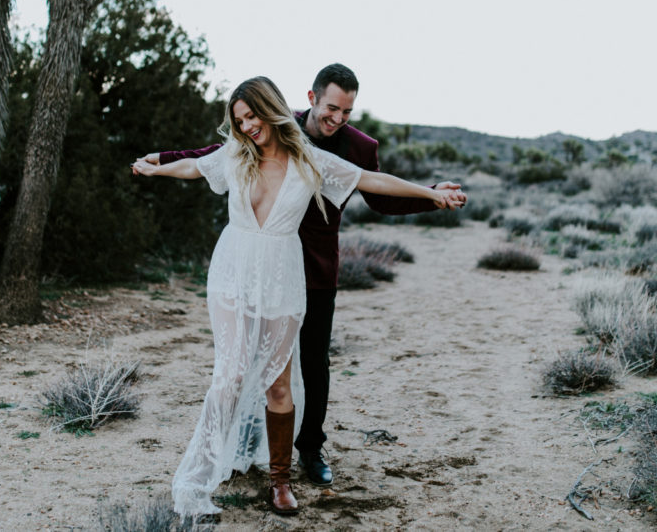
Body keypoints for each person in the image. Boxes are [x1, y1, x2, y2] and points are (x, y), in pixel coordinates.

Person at [132, 76, 459, 518]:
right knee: (228, 376)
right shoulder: (235, 154)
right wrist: (158, 168)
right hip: (233, 273)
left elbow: (370, 179)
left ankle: (281, 481)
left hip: (284, 277)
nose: (247, 126)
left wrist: (430, 194)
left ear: (270, 109)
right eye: (239, 120)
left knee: (280, 385)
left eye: (252, 116)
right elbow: (196, 164)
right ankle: (200, 477)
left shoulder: (311, 160)